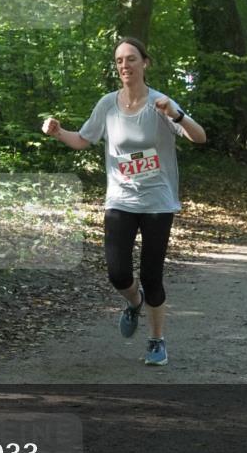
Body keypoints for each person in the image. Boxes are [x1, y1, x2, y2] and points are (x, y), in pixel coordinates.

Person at [41, 37, 207, 366]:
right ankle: (133, 303)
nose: (125, 66)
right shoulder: (107, 104)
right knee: (117, 274)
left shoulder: (160, 103)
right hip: (120, 199)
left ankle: (156, 340)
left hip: (158, 202)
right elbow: (83, 140)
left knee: (152, 275)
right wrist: (59, 132)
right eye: (119, 61)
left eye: (131, 59)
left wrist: (176, 114)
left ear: (145, 63)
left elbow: (199, 137)